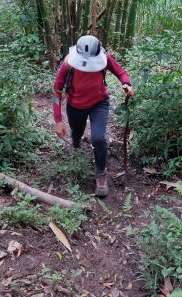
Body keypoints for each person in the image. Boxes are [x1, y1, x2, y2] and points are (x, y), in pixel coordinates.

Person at [52, 35, 134, 197]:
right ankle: (76, 141)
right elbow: (57, 91)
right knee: (76, 132)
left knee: (98, 138)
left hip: (99, 103)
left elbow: (120, 72)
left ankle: (101, 173)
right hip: (75, 105)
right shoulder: (68, 63)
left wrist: (126, 84)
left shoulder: (104, 57)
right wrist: (58, 120)